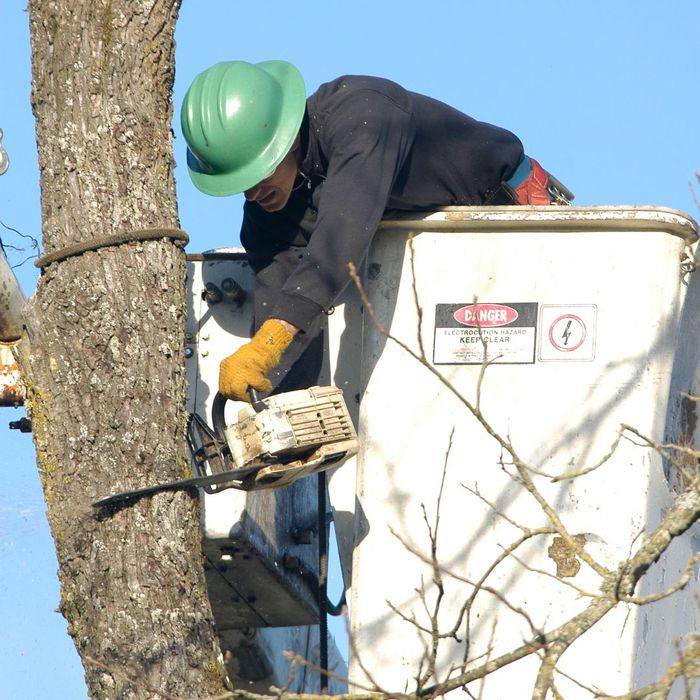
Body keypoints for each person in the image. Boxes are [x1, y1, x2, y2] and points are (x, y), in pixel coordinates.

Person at [181, 60, 570, 403]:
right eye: (241, 183)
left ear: (286, 141)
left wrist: (268, 344)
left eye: (258, 174)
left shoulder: (364, 114)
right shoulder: (271, 208)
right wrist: (275, 404)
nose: (251, 193)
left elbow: (339, 237)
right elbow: (282, 298)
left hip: (511, 225)